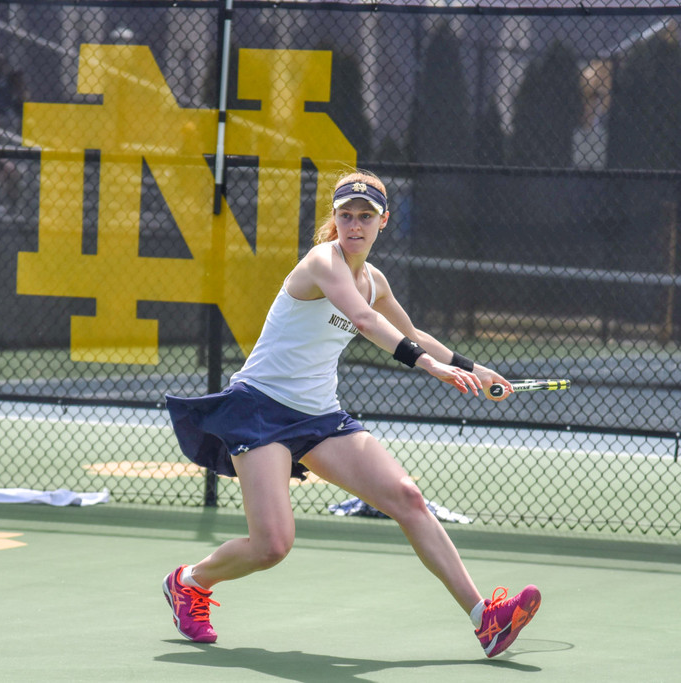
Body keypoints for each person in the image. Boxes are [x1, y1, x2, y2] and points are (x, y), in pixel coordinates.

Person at [162, 170, 541, 658]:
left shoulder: (374, 280)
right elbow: (364, 321)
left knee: (408, 497)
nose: (355, 225)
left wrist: (475, 370)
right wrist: (429, 367)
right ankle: (189, 582)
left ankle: (484, 618)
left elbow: (413, 334)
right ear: (335, 219)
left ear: (383, 221)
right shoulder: (323, 261)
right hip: (260, 410)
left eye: (365, 216)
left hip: (322, 419)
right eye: (346, 215)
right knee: (272, 546)